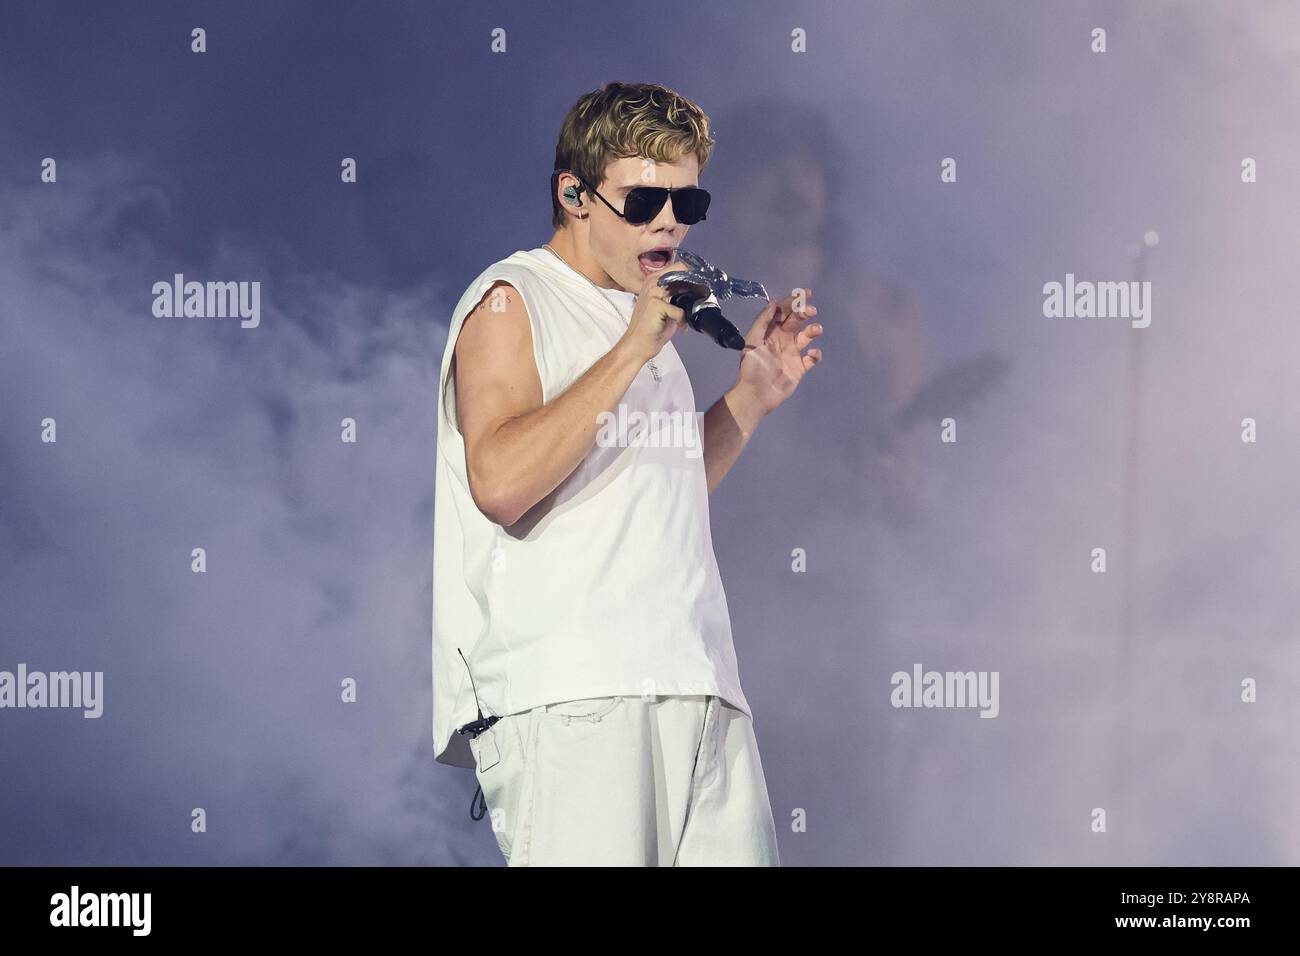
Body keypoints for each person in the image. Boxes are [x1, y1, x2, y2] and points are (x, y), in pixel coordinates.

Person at [430, 81, 824, 865]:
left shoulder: (645, 318)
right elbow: (501, 483)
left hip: (698, 681)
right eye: (643, 202)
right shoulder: (515, 300)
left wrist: (749, 398)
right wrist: (633, 349)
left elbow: (657, 490)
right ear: (573, 194)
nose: (670, 222)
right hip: (578, 695)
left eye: (688, 203)